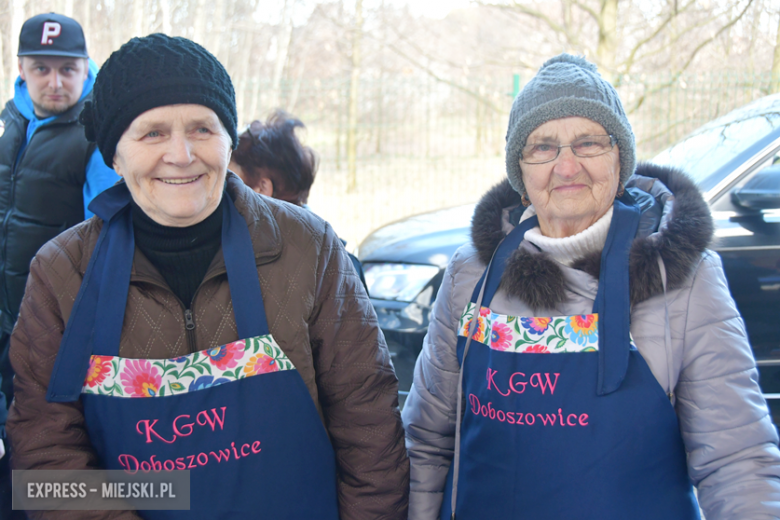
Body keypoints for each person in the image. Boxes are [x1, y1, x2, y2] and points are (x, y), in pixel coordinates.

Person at [6, 34, 408, 519]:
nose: (181, 154)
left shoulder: (309, 246)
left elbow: (369, 424)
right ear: (114, 154)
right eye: (152, 133)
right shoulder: (60, 272)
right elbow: (46, 459)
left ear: (228, 140)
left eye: (201, 128)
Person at [402, 54, 780, 519]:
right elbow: (425, 443)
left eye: (588, 143)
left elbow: (736, 461)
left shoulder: (684, 279)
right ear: (521, 173)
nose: (566, 167)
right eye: (542, 147)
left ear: (620, 159)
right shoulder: (471, 275)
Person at [0, 12, 119, 518]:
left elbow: (103, 236)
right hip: (4, 315)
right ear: (21, 68)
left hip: (54, 322)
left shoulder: (96, 132)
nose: (55, 82)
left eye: (67, 69)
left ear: (85, 68)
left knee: (51, 441)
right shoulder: (10, 121)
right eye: (42, 68)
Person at [229, 110, 367, 290]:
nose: (222, 190)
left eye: (231, 179)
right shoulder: (341, 263)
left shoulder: (271, 273)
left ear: (262, 189)